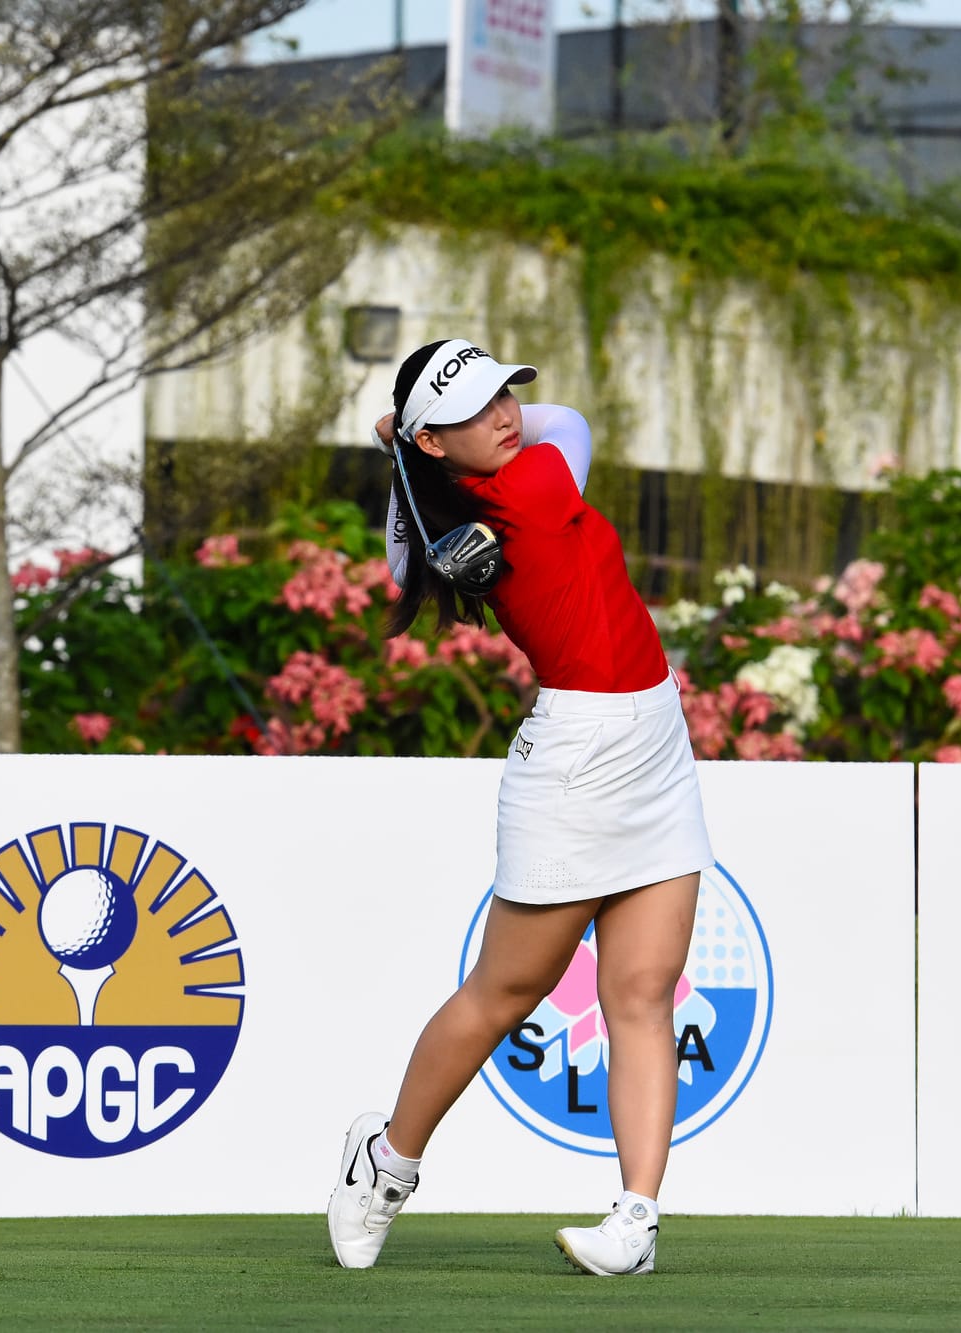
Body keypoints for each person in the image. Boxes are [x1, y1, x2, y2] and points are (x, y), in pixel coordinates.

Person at [327, 338, 713, 1277]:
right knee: (503, 993)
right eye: (473, 408)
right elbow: (565, 424)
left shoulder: (485, 493)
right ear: (434, 440)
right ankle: (386, 1162)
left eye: (504, 394)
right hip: (576, 757)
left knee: (644, 992)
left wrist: (403, 447)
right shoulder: (533, 483)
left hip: (657, 741)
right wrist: (402, 446)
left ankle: (636, 1221)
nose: (506, 414)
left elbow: (410, 547)